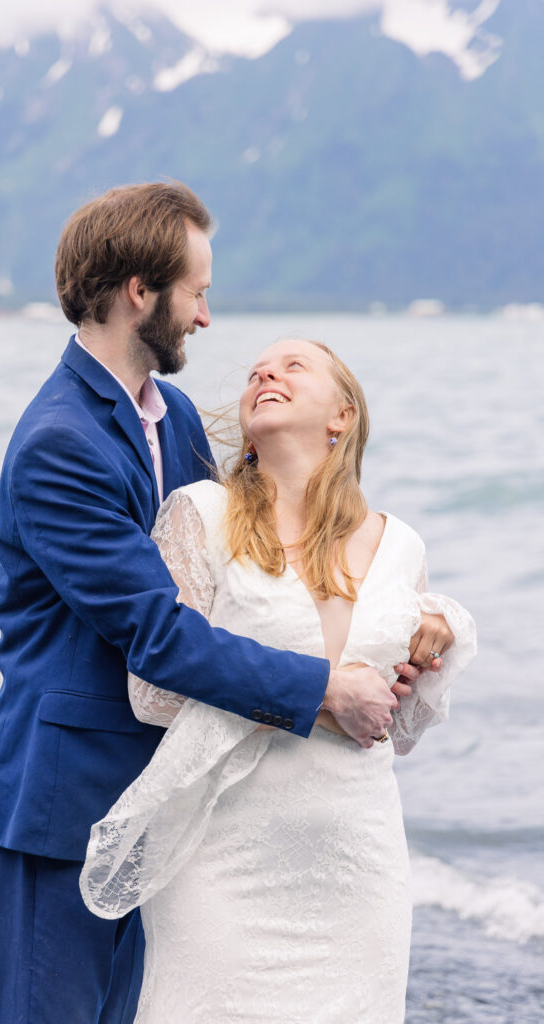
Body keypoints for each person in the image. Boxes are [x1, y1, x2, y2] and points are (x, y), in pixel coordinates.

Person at [0, 181, 450, 1024]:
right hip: (68, 798)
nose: (203, 317)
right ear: (140, 292)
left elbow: (268, 559)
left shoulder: (175, 418)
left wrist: (412, 617)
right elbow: (159, 635)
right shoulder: (61, 443)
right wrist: (322, 687)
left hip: (177, 802)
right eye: (196, 291)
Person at [81, 338, 477, 1023]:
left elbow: (401, 727)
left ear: (341, 416)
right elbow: (151, 693)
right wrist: (313, 698)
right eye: (256, 371)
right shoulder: (199, 514)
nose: (266, 372)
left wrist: (437, 632)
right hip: (224, 859)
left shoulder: (400, 545)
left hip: (358, 861)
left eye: (294, 366)